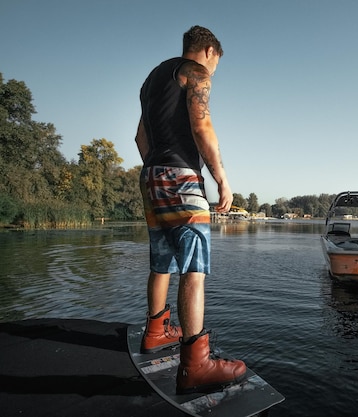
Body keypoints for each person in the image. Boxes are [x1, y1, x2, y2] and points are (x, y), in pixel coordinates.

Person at [135, 25, 246, 395]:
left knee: (162, 259)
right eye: (216, 63)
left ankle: (155, 332)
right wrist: (222, 179)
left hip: (151, 174)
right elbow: (202, 124)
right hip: (182, 176)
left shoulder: (153, 78)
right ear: (210, 51)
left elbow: (140, 137)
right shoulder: (195, 72)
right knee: (194, 268)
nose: (214, 72)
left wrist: (157, 169)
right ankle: (195, 366)